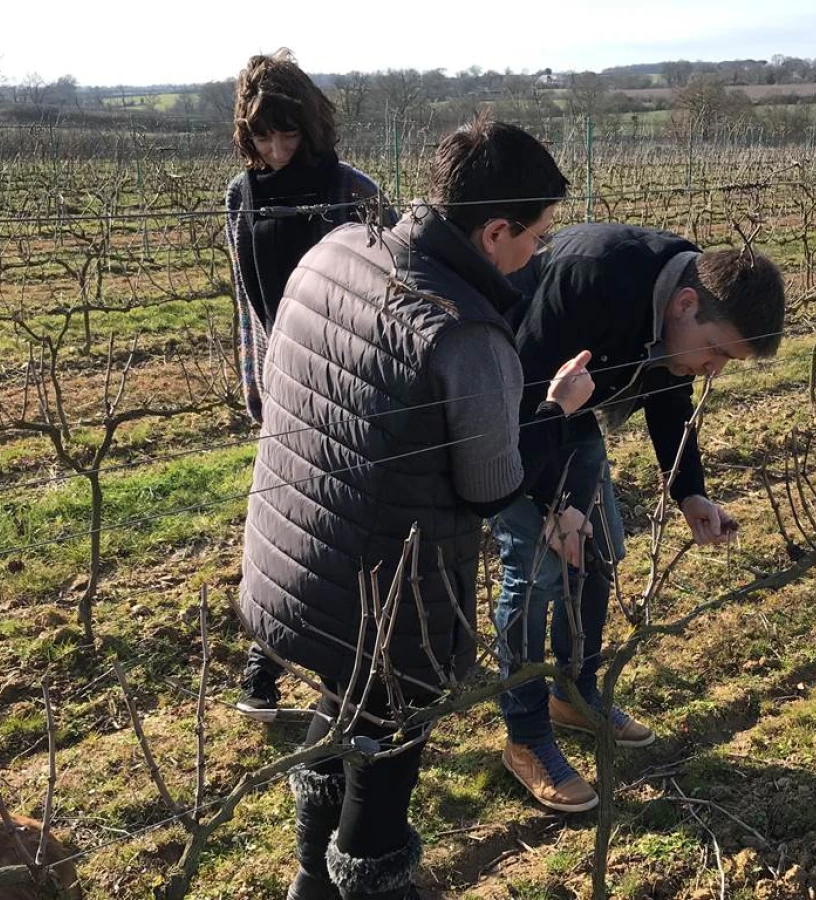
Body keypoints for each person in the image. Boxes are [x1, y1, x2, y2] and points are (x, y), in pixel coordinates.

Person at [237, 117, 590, 900]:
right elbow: (493, 486)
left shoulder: (334, 251)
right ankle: (372, 886)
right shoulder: (465, 333)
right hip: (389, 602)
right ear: (495, 230)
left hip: (291, 558)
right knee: (385, 754)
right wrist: (556, 410)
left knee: (339, 709)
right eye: (536, 236)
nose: (539, 252)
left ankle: (311, 883)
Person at [494, 223, 786, 812]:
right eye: (718, 353)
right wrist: (554, 504)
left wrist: (690, 494)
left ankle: (575, 692)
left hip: (573, 410)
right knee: (536, 575)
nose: (715, 372)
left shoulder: (678, 299)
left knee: (600, 549)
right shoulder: (593, 279)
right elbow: (522, 393)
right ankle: (525, 738)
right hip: (512, 416)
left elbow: (667, 389)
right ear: (686, 306)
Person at [223, 48, 397, 721]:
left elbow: (392, 295)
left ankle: (348, 668)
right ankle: (262, 669)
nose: (275, 149)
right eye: (261, 135)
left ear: (313, 126)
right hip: (284, 387)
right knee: (279, 525)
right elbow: (247, 305)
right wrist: (255, 385)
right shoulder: (241, 196)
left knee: (342, 528)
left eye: (287, 133)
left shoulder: (354, 191)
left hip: (355, 387)